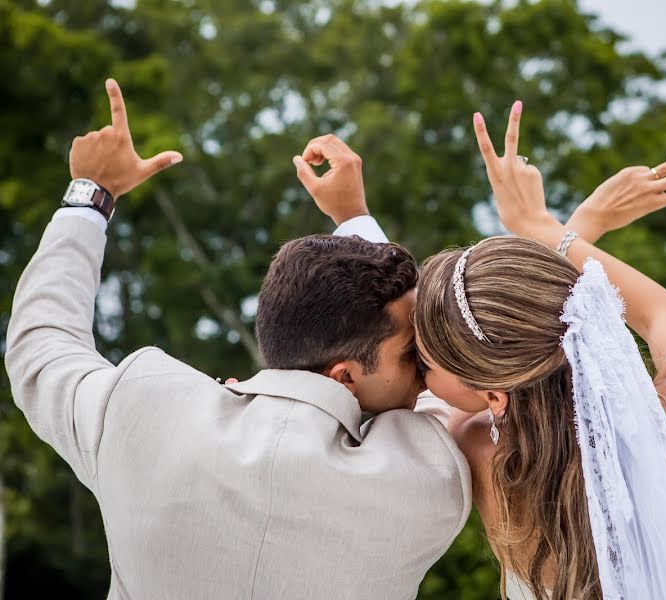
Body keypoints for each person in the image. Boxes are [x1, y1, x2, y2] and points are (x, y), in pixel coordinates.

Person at [4, 79, 471, 599]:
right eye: (414, 353)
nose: (426, 364)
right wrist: (355, 220)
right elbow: (450, 387)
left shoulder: (141, 409)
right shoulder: (426, 477)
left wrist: (90, 194)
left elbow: (41, 346)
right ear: (343, 376)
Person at [410, 102, 666, 599]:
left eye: (424, 366)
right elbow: (655, 315)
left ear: (495, 396)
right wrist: (547, 226)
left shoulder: (478, 450)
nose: (419, 378)